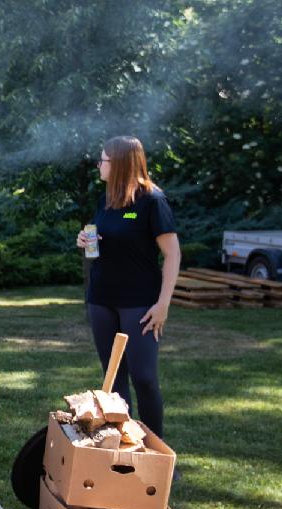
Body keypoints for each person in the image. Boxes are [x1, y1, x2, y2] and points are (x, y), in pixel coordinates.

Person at [76, 135, 181, 441]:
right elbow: (103, 236)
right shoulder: (106, 198)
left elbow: (172, 254)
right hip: (102, 299)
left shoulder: (152, 201)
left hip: (140, 301)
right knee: (114, 382)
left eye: (103, 159)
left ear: (119, 163)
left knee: (144, 378)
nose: (99, 164)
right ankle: (124, 450)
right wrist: (84, 239)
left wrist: (163, 304)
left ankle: (155, 450)